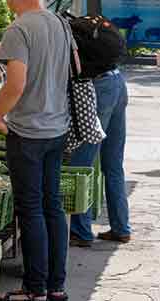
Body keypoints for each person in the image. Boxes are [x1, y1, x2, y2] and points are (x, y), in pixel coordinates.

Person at [0, 0, 77, 300]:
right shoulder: (60, 24)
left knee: (31, 209)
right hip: (57, 128)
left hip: (28, 133)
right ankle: (56, 287)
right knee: (52, 206)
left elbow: (16, 84)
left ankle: (34, 288)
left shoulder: (19, 28)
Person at [68, 18, 131, 247]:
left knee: (81, 165)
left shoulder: (65, 31)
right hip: (117, 82)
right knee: (113, 164)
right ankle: (121, 228)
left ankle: (80, 232)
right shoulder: (84, 26)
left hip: (100, 88)